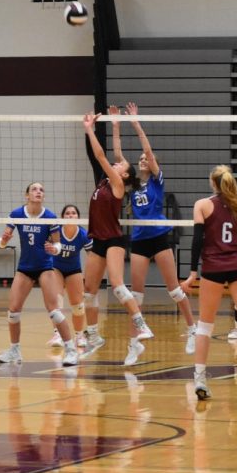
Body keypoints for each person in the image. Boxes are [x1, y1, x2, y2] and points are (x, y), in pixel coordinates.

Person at [113, 102, 197, 365]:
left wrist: (135, 123)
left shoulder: (157, 181)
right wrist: (116, 126)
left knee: (173, 290)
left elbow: (147, 149)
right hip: (139, 240)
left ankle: (193, 329)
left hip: (159, 237)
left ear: (153, 164)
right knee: (135, 295)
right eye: (140, 160)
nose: (142, 160)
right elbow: (118, 159)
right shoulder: (134, 185)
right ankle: (134, 343)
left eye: (146, 159)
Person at [180, 165, 237, 400]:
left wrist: (192, 273)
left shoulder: (202, 205)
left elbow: (197, 242)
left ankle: (200, 378)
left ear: (213, 183)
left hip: (213, 268)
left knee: (205, 326)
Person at [81, 111, 154, 354]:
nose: (118, 162)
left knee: (116, 284)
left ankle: (140, 324)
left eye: (121, 165)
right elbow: (114, 154)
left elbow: (101, 156)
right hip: (97, 239)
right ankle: (93, 336)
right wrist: (115, 126)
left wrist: (89, 128)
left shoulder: (117, 183)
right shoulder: (104, 181)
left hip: (113, 238)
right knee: (89, 292)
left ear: (123, 174)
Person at [0, 182, 80, 366]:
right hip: (25, 267)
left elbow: (58, 245)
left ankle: (71, 351)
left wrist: (54, 249)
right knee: (13, 312)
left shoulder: (49, 217)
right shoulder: (17, 214)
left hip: (44, 267)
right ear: (27, 195)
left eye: (41, 190)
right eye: (34, 189)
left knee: (54, 312)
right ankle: (14, 350)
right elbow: (2, 242)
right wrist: (3, 240)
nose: (38, 192)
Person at [46, 204, 89, 351]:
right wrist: (49, 249)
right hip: (56, 267)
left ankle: (79, 335)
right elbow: (45, 245)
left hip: (74, 270)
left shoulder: (83, 234)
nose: (70, 216)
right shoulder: (56, 231)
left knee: (78, 306)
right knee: (57, 301)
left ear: (78, 217)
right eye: (67, 214)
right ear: (62, 217)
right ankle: (57, 334)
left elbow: (93, 256)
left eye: (73, 213)